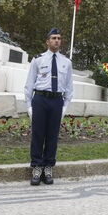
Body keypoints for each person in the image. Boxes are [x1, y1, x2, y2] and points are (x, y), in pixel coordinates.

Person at [25, 28, 74, 186]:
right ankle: (37, 167)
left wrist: (65, 106)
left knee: (52, 136)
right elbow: (29, 84)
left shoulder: (66, 62)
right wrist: (29, 106)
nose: (57, 41)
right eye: (53, 38)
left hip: (56, 101)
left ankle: (48, 167)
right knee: (38, 135)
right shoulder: (38, 60)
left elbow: (69, 87)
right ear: (47, 41)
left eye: (59, 38)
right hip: (40, 99)